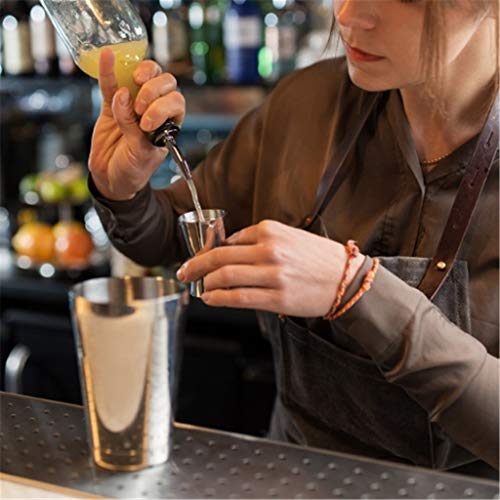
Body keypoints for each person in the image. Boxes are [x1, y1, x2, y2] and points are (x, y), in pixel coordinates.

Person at [88, 0, 499, 478]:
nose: (347, 15)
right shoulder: (306, 104)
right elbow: (175, 239)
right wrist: (124, 191)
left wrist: (356, 289)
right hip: (288, 479)